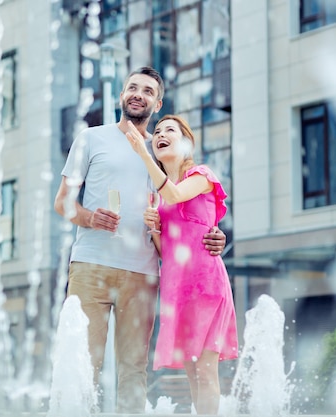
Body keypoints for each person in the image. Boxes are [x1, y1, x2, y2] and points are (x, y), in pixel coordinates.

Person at [53, 66, 227, 414]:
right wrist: (89, 217)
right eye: (133, 88)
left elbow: (183, 205)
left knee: (134, 368)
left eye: (148, 91)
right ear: (121, 95)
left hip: (144, 274)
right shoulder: (91, 138)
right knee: (82, 365)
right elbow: (62, 203)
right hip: (91, 266)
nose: (138, 94)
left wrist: (213, 233)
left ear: (157, 102)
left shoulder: (162, 153)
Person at [125, 114, 238, 415]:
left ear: (186, 142)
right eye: (157, 131)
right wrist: (155, 230)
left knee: (205, 370)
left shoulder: (201, 176)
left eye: (169, 130)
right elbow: (167, 253)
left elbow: (175, 193)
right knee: (192, 375)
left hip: (205, 285)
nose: (160, 134)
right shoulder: (159, 200)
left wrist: (142, 154)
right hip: (177, 290)